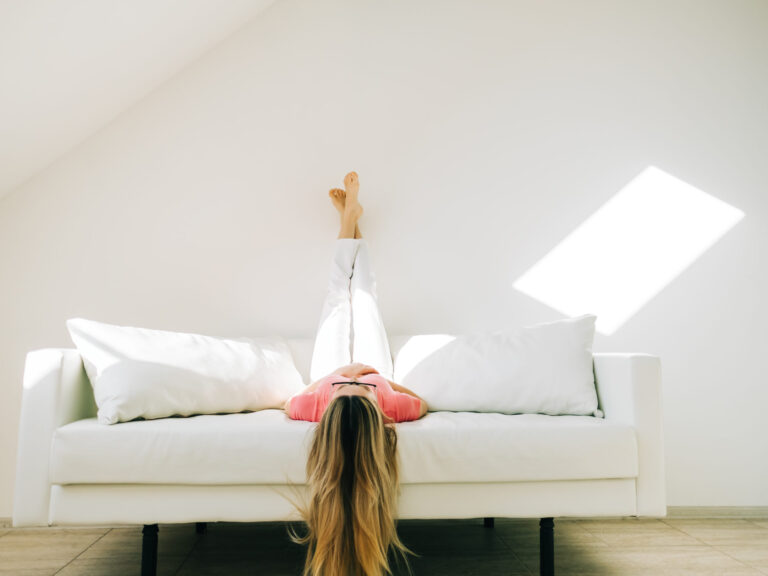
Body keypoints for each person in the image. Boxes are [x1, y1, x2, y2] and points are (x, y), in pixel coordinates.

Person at [285, 171, 427, 576]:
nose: (353, 386)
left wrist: (332, 376)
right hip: (374, 362)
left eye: (345, 390)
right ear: (377, 410)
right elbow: (421, 403)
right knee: (364, 297)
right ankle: (351, 221)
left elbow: (290, 402)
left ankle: (349, 220)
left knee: (337, 298)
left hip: (326, 367)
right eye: (357, 390)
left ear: (330, 407)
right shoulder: (389, 405)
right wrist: (376, 375)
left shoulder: (318, 404)